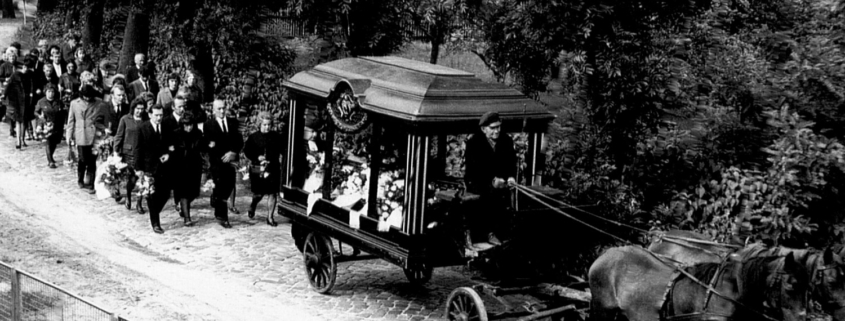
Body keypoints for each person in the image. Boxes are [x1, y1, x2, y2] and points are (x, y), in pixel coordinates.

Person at [464, 111, 517, 245]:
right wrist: (492, 181)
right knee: (490, 194)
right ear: (483, 129)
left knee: (514, 195)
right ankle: (489, 233)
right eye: (493, 128)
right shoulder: (474, 143)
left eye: (498, 127)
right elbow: (474, 171)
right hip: (478, 182)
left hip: (501, 181)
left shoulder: (506, 141)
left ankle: (508, 233)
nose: (497, 131)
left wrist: (510, 177)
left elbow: (511, 163)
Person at [204, 99, 242, 228]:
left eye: (223, 108)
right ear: (214, 110)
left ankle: (215, 197)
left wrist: (233, 152)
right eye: (219, 109)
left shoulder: (232, 123)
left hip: (230, 162)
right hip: (217, 162)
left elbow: (239, 141)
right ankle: (222, 217)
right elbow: (211, 145)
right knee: (221, 188)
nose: (222, 111)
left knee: (229, 186)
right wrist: (222, 154)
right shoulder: (209, 125)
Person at [135, 104, 173, 234]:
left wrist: (168, 154)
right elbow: (138, 149)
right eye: (156, 115)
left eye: (161, 115)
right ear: (150, 114)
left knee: (166, 193)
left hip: (164, 167)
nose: (159, 118)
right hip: (148, 167)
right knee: (152, 195)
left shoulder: (167, 127)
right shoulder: (142, 128)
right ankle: (155, 223)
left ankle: (154, 210)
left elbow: (171, 145)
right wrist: (138, 168)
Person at [243, 112, 284, 226]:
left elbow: (282, 149)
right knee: (259, 194)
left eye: (269, 125)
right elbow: (247, 151)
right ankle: (253, 204)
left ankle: (270, 217)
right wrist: (257, 157)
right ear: (260, 124)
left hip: (273, 168)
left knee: (272, 193)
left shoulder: (276, 137)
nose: (267, 127)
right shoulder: (253, 137)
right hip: (258, 169)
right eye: (264, 125)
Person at [66, 85, 107, 194]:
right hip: (81, 134)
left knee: (92, 159)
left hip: (94, 134)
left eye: (89, 96)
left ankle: (90, 183)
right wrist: (68, 136)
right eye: (85, 96)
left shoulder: (98, 102)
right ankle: (80, 179)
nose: (88, 99)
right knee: (82, 159)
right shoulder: (75, 104)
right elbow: (70, 121)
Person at [171, 109, 205, 227]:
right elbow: (172, 149)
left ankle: (181, 205)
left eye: (190, 125)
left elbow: (202, 147)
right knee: (184, 192)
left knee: (194, 192)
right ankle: (187, 218)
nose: (189, 127)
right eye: (186, 125)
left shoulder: (198, 133)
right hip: (180, 166)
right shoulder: (176, 134)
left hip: (195, 165)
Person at [115, 98, 148, 214]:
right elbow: (119, 136)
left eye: (142, 109)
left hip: (142, 155)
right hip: (128, 154)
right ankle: (128, 196)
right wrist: (116, 152)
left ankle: (139, 202)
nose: (139, 111)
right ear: (133, 108)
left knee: (142, 179)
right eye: (137, 109)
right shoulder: (125, 119)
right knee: (132, 179)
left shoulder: (146, 120)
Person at [5, 56, 37, 149]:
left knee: (24, 121)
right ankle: (18, 141)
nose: (26, 69)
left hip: (27, 100)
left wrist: (32, 94)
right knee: (19, 121)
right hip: (16, 101)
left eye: (28, 67)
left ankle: (22, 140)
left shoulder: (30, 75)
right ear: (23, 66)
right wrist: (4, 95)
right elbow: (8, 86)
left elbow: (32, 86)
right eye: (25, 67)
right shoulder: (15, 75)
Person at [34, 83, 65, 168]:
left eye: (52, 92)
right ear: (45, 92)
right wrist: (40, 116)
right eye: (49, 91)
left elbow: (62, 112)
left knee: (54, 142)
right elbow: (36, 112)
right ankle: (50, 161)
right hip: (45, 124)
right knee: (48, 141)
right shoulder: (41, 101)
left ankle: (50, 155)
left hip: (57, 124)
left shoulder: (58, 101)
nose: (51, 93)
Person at [1, 47, 18, 134]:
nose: (12, 58)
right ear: (8, 57)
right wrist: (5, 79)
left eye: (14, 57)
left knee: (16, 107)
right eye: (11, 57)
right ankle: (11, 127)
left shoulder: (18, 65)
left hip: (16, 89)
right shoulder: (4, 66)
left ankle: (14, 126)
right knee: (10, 108)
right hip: (7, 88)